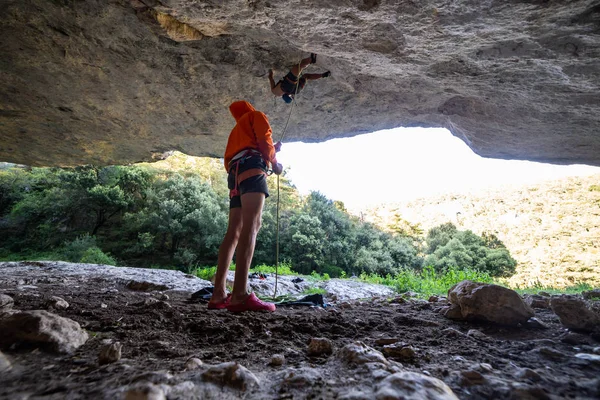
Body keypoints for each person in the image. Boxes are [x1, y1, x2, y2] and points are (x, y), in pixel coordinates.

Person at [208, 100, 283, 312]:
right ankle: (240, 294)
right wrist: (274, 162)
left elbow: (250, 147)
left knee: (234, 231)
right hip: (252, 168)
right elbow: (265, 142)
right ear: (250, 108)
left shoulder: (237, 130)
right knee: (252, 226)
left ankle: (218, 293)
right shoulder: (257, 116)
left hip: (235, 174)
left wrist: (270, 152)